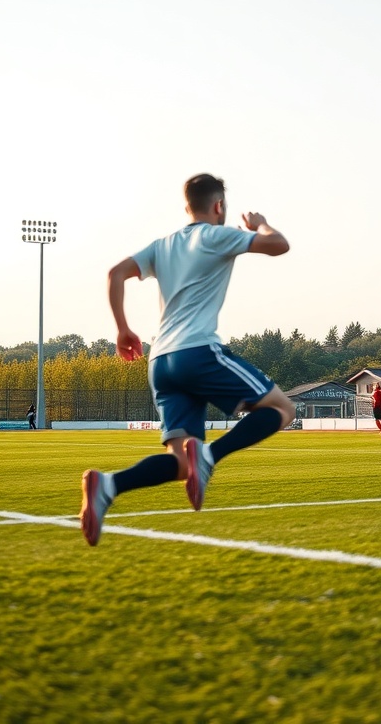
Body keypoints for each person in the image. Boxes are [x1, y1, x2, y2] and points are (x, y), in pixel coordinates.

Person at [79, 173, 295, 547]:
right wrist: (260, 224)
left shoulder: (162, 245)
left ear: (186, 207)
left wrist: (123, 330)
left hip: (160, 362)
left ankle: (108, 485)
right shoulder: (216, 235)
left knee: (182, 464)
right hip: (197, 351)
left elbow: (116, 274)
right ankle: (211, 456)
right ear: (218, 207)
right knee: (282, 408)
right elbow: (279, 245)